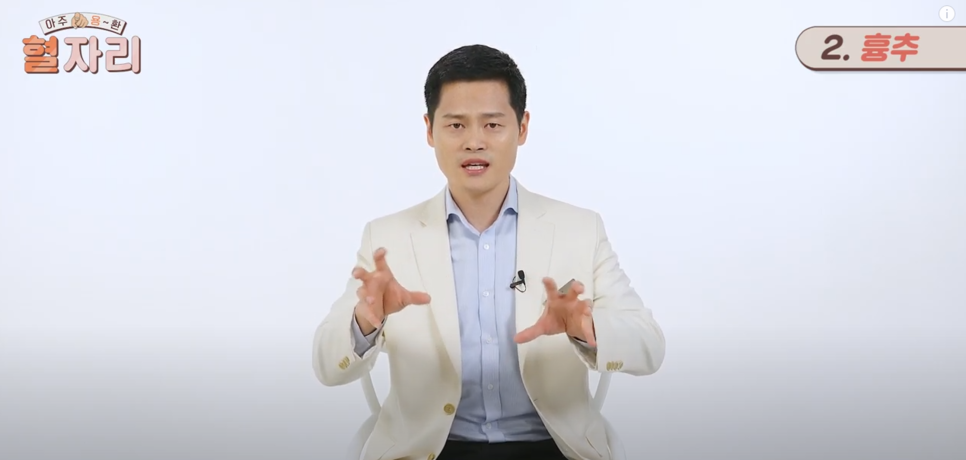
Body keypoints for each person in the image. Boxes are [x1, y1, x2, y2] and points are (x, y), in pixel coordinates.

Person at [313, 44, 665, 460]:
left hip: (552, 447)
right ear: (429, 130)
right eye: (456, 125)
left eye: (493, 124)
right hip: (429, 451)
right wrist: (364, 323)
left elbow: (650, 346)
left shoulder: (579, 229)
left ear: (522, 127)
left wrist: (588, 330)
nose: (474, 142)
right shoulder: (388, 238)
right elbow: (326, 365)